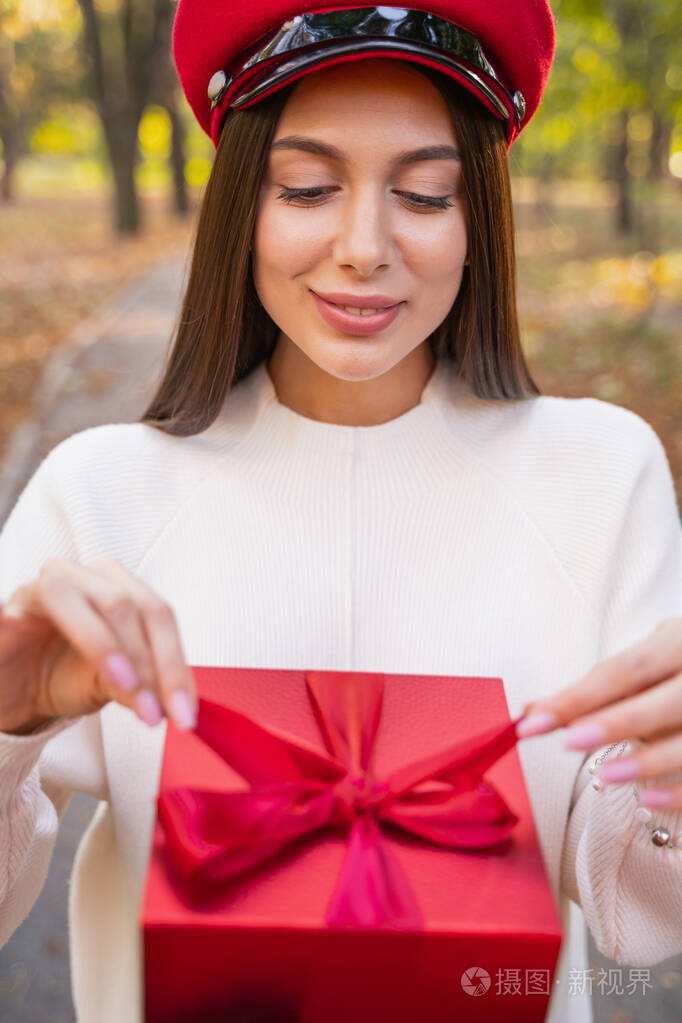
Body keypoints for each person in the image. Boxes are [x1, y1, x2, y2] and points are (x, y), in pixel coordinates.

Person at [1, 2, 681, 1022]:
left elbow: (640, 924)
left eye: (422, 192)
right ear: (244, 201)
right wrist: (7, 727)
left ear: (475, 216)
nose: (363, 247)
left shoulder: (597, 473)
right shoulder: (102, 491)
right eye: (309, 187)